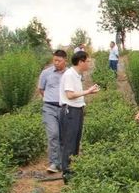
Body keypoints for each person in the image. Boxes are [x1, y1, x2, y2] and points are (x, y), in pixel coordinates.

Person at [59, 51, 100, 181]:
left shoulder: (76, 75)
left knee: (75, 142)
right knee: (69, 142)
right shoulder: (70, 74)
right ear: (81, 62)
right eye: (87, 61)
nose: (89, 64)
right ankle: (67, 173)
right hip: (70, 111)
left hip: (76, 110)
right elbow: (70, 95)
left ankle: (73, 170)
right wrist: (87, 91)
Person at [38, 49, 67, 173]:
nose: (56, 63)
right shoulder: (46, 73)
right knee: (53, 134)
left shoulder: (69, 73)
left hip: (65, 108)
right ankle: (54, 163)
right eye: (54, 60)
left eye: (59, 61)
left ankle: (63, 162)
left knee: (63, 137)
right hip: (49, 107)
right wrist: (50, 98)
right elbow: (41, 89)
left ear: (65, 60)